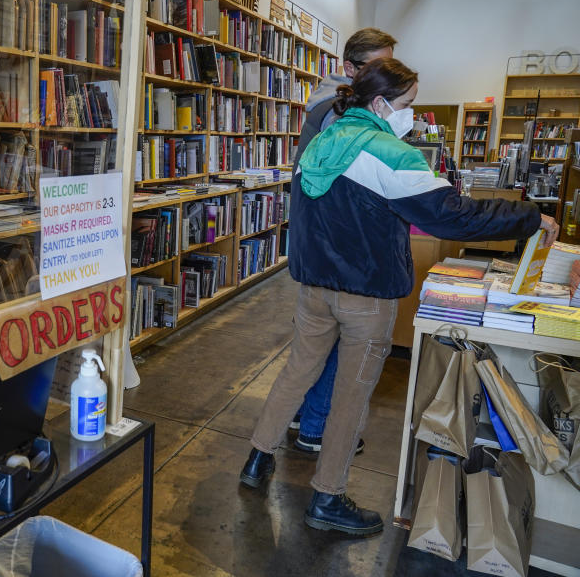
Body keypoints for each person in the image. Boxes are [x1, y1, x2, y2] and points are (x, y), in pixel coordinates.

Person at [239, 58, 558, 537]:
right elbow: (453, 217)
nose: (413, 114)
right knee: (352, 394)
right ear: (381, 102)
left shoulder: (320, 141)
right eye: (408, 104)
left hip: (314, 289)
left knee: (296, 372)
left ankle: (257, 459)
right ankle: (327, 495)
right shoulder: (391, 154)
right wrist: (528, 217)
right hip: (366, 295)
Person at [290, 28, 398, 455]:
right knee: (339, 340)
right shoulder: (340, 113)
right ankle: (316, 428)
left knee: (316, 341)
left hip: (321, 244)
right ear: (350, 70)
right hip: (339, 246)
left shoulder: (331, 105)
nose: (384, 78)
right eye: (376, 68)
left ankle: (303, 416)